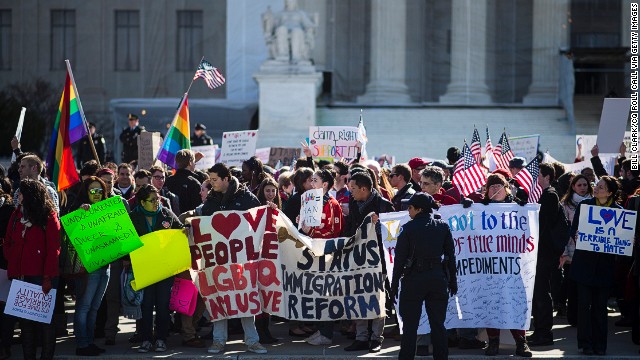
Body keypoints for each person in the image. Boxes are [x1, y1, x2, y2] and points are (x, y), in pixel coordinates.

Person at [200, 163, 266, 355]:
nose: (211, 184)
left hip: (241, 262)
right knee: (218, 299)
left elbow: (260, 221)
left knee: (244, 298)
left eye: (214, 180)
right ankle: (218, 341)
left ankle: (252, 341)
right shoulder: (211, 200)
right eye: (210, 180)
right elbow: (203, 224)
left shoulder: (246, 198)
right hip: (217, 261)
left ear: (226, 179)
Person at [391, 193, 456, 360]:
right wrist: (452, 281)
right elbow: (451, 257)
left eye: (410, 208)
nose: (408, 211)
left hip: (414, 279)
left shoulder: (408, 228)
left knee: (410, 327)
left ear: (419, 209)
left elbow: (399, 260)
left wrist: (394, 285)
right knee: (438, 326)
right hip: (437, 278)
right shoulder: (442, 226)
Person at [4, 179, 60, 360]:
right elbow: (8, 241)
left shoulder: (48, 216)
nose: (17, 196)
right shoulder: (16, 214)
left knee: (45, 322)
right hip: (21, 276)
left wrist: (47, 278)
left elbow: (54, 250)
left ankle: (46, 356)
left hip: (41, 277)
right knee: (26, 323)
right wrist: (12, 258)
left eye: (20, 193)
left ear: (30, 195)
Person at [478, 174, 532, 357]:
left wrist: (525, 212)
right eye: (491, 187)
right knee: (491, 303)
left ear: (507, 188)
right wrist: (467, 208)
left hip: (512, 267)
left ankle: (521, 343)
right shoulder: (479, 209)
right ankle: (493, 343)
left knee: (514, 304)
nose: (495, 190)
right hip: (489, 267)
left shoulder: (518, 208)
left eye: (499, 186)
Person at [569, 176, 622, 355]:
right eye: (597, 186)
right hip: (584, 265)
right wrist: (576, 235)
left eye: (601, 187)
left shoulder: (619, 212)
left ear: (610, 192)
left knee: (600, 308)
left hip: (604, 268)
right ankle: (585, 344)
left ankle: (600, 345)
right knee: (584, 307)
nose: (596, 189)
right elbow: (573, 228)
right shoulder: (585, 206)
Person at [343, 172, 394, 353]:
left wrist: (379, 226)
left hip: (377, 262)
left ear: (364, 189)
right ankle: (361, 337)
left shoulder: (384, 206)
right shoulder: (354, 203)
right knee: (358, 298)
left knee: (377, 299)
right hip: (357, 260)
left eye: (353, 189)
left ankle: (376, 338)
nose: (351, 192)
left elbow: (393, 236)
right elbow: (350, 228)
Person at [129, 184, 183, 353]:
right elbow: (125, 243)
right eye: (152, 200)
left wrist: (186, 230)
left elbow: (180, 229)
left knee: (162, 305)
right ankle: (145, 339)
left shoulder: (166, 213)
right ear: (142, 202)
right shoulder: (134, 217)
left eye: (158, 198)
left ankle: (161, 338)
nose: (156, 202)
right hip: (144, 268)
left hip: (164, 269)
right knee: (146, 305)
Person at [301, 168, 343, 346]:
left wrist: (309, 230)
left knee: (326, 294)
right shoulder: (310, 201)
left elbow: (334, 230)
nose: (311, 184)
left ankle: (327, 334)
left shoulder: (332, 203)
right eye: (311, 180)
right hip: (313, 253)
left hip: (326, 255)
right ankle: (321, 330)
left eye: (315, 180)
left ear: (324, 184)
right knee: (317, 294)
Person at [70, 177, 111, 356]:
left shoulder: (107, 210)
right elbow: (70, 234)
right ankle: (82, 344)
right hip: (87, 268)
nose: (97, 194)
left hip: (105, 266)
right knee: (84, 306)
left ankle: (90, 342)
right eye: (93, 190)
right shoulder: (78, 209)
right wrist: (79, 213)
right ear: (86, 192)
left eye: (100, 190)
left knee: (94, 307)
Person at [528, 163, 563, 347]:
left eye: (538, 175)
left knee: (542, 293)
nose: (534, 179)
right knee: (537, 293)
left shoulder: (550, 195)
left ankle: (545, 333)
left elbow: (544, 224)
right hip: (538, 253)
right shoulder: (541, 195)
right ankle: (539, 330)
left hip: (544, 254)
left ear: (547, 177)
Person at [558, 174, 593, 326]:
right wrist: (564, 253)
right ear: (573, 187)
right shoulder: (565, 205)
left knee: (588, 286)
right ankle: (573, 317)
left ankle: (586, 316)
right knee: (572, 287)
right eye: (579, 185)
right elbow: (563, 231)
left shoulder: (595, 203)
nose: (583, 188)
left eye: (585, 185)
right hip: (572, 252)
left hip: (590, 252)